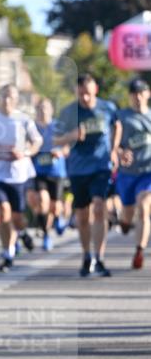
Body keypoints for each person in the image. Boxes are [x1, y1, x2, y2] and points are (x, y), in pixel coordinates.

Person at [55, 73, 118, 277]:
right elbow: (55, 139)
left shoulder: (107, 108)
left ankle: (99, 258)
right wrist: (71, 137)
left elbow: (117, 125)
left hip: (101, 166)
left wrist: (115, 149)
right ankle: (86, 256)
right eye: (82, 94)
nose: (86, 99)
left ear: (96, 91)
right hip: (78, 169)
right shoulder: (68, 112)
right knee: (82, 216)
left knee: (99, 207)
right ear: (76, 92)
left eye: (89, 94)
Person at [0, 84, 42, 272]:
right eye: (4, 96)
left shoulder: (23, 120)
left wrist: (24, 152)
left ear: (16, 100)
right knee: (3, 213)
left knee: (17, 218)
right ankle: (7, 254)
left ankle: (22, 233)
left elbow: (37, 141)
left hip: (18, 175)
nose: (7, 100)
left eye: (11, 97)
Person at [112, 78, 151, 269]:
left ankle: (139, 251)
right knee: (128, 215)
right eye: (134, 94)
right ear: (129, 96)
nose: (138, 97)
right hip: (128, 174)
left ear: (148, 94)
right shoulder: (122, 117)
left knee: (144, 207)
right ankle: (126, 223)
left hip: (148, 173)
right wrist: (120, 153)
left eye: (141, 93)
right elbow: (114, 145)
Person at [27, 97, 68, 251]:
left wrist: (59, 152)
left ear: (51, 110)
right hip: (39, 171)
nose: (43, 111)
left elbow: (67, 148)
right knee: (42, 201)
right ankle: (46, 235)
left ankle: (59, 218)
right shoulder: (32, 127)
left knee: (55, 207)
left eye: (46, 107)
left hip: (57, 171)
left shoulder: (58, 126)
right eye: (40, 108)